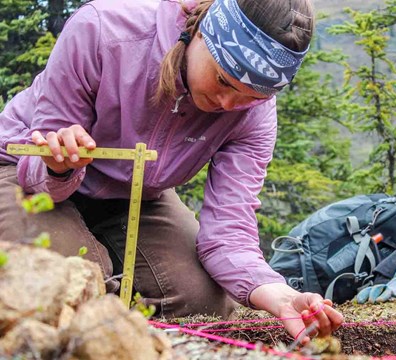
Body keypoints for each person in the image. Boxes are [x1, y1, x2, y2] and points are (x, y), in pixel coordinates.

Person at [0, 0, 343, 344]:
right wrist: (57, 165)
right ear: (201, 33)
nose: (227, 103)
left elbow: (230, 229)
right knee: (72, 285)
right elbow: (40, 166)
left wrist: (279, 295)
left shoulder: (255, 117)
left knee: (202, 301)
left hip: (135, 196)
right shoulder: (103, 30)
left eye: (249, 96)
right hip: (27, 176)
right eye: (223, 78)